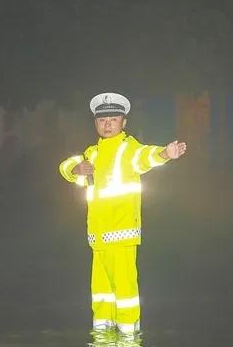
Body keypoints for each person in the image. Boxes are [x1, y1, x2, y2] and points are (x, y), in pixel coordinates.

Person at [59, 93, 187, 333]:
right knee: (101, 290)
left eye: (113, 119)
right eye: (102, 120)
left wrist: (165, 154)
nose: (107, 124)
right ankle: (102, 333)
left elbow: (146, 156)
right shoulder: (91, 153)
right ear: (95, 123)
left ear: (123, 123)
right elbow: (64, 167)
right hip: (97, 237)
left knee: (125, 288)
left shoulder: (128, 149)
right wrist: (76, 168)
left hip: (121, 233)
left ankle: (129, 335)